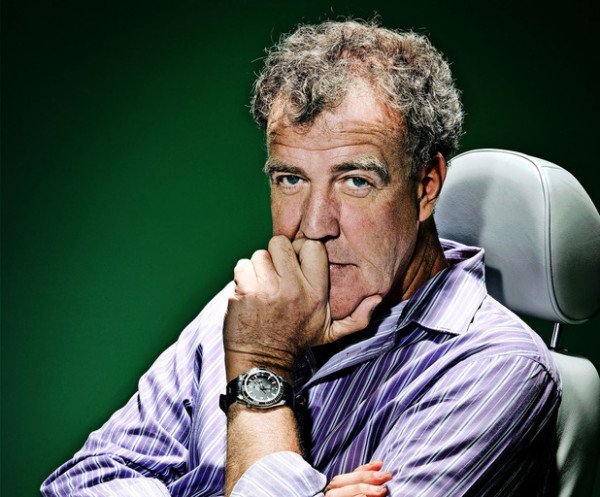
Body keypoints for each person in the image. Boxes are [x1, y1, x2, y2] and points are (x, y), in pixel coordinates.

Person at [41, 20, 561, 497]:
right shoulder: (254, 304)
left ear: (426, 187)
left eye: (355, 181)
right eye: (291, 179)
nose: (314, 226)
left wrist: (260, 363)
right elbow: (80, 482)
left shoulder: (497, 368)